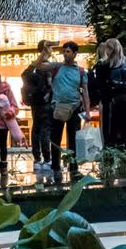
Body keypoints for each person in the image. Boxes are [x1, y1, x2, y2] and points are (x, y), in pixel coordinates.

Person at [49, 41, 91, 178]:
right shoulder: (56, 67)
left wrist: (88, 112)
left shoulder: (80, 71)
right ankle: (55, 166)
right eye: (64, 51)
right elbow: (38, 65)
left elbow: (85, 92)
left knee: (73, 138)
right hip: (58, 107)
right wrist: (45, 49)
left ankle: (73, 166)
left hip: (74, 108)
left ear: (75, 54)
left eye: (68, 51)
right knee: (55, 138)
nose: (65, 54)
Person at [90, 39, 126, 150]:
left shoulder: (105, 65)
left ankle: (115, 153)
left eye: (108, 48)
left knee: (115, 132)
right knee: (119, 133)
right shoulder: (122, 63)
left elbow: (99, 86)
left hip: (115, 103)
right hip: (120, 102)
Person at [20, 41, 59, 174]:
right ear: (46, 50)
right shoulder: (46, 68)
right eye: (50, 48)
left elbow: (24, 75)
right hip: (45, 103)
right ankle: (47, 159)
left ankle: (37, 159)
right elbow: (51, 85)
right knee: (45, 130)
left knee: (36, 128)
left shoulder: (32, 67)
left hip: (34, 103)